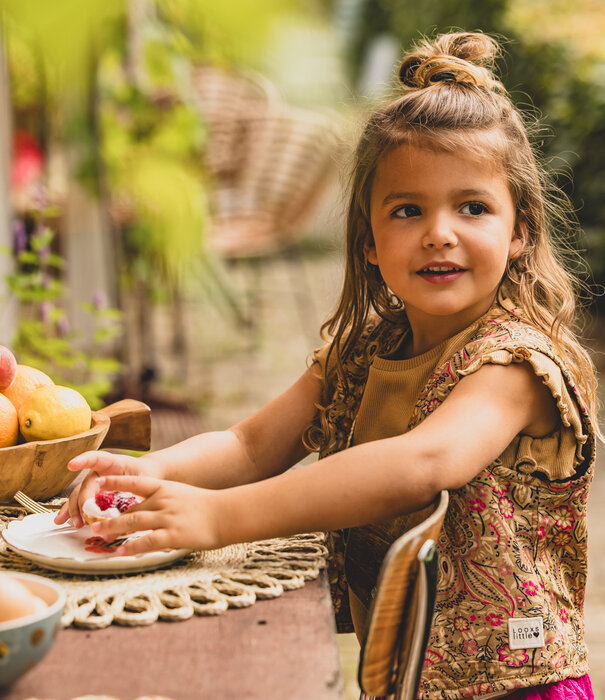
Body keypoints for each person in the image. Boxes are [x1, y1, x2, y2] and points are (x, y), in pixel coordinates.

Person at [55, 31, 598, 699]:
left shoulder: (515, 364)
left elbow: (421, 463)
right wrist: (152, 471)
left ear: (518, 233)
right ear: (369, 242)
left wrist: (220, 518)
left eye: (473, 207)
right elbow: (251, 444)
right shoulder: (364, 352)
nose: (438, 232)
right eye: (407, 210)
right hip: (405, 676)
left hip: (516, 684)